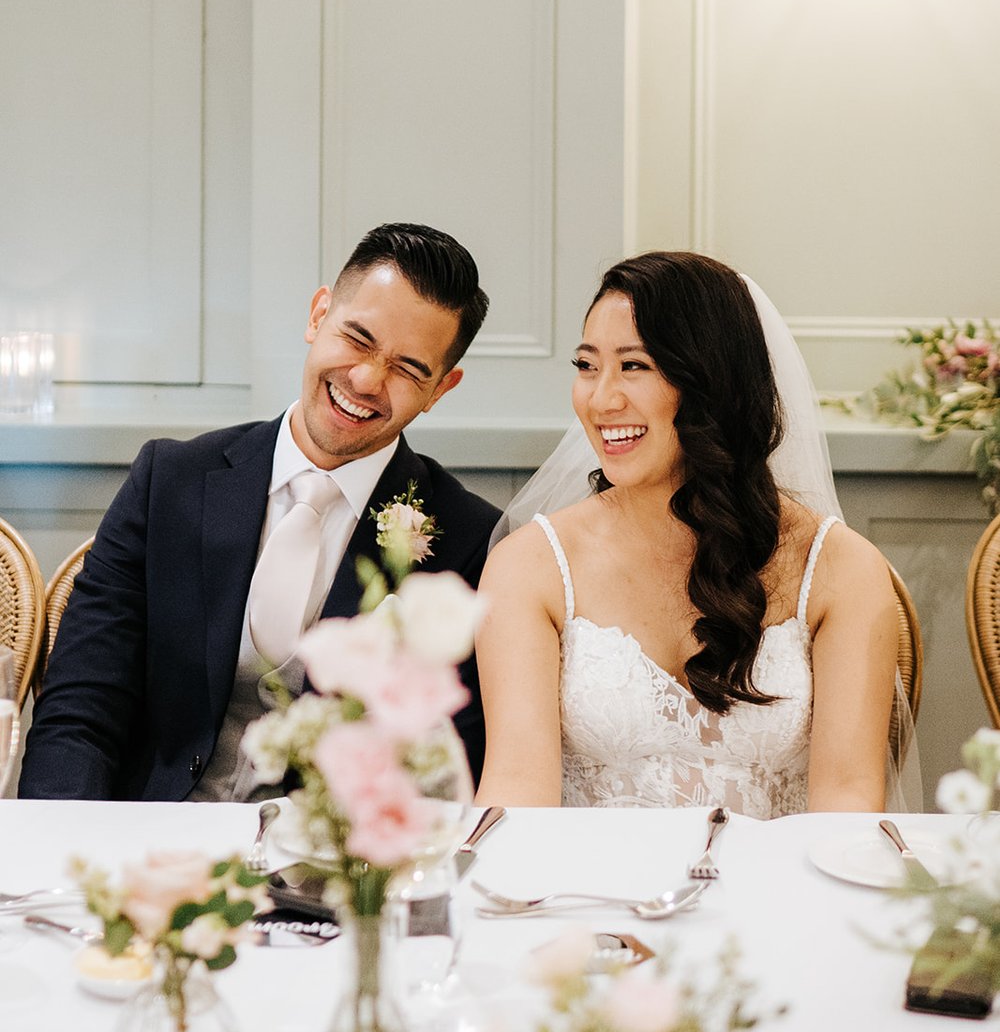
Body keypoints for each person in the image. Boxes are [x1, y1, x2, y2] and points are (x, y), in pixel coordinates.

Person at [20, 223, 500, 801]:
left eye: (408, 369)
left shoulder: (467, 539)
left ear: (441, 389)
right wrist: (65, 862)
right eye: (357, 338)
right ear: (318, 314)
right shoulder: (168, 481)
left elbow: (444, 765)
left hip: (333, 873)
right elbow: (82, 709)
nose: (367, 379)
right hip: (150, 847)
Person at [474, 251, 902, 815]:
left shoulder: (841, 569)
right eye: (586, 365)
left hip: (776, 895)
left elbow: (847, 802)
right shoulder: (528, 565)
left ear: (712, 384)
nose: (601, 399)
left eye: (635, 366)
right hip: (587, 894)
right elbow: (516, 793)